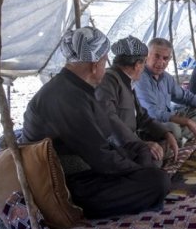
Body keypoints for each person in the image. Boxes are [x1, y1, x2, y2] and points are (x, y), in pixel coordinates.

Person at [22, 27, 170, 219]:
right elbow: (101, 157)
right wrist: (138, 171)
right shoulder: (66, 97)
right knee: (157, 181)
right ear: (94, 64)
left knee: (140, 152)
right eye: (104, 61)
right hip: (66, 186)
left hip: (89, 166)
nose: (105, 67)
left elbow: (104, 141)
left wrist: (135, 155)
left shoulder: (76, 89)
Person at [95, 36, 179, 167]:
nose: (144, 67)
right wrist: (141, 145)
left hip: (133, 139)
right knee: (153, 159)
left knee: (170, 133)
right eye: (144, 63)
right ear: (137, 65)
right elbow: (110, 122)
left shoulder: (128, 81)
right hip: (119, 146)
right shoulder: (109, 81)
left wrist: (165, 133)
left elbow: (142, 117)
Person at [135, 38, 196, 146]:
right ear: (147, 55)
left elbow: (185, 96)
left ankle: (180, 138)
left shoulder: (166, 77)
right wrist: (187, 122)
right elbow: (152, 113)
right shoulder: (140, 77)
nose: (161, 62)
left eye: (165, 58)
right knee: (173, 128)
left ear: (169, 59)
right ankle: (180, 137)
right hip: (150, 122)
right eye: (157, 56)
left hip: (169, 116)